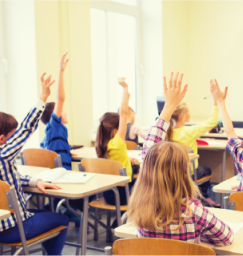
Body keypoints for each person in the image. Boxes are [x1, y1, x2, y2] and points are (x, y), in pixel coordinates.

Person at [128, 72, 234, 246]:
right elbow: (226, 238)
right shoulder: (192, 211)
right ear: (184, 174)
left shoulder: (141, 209)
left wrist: (169, 105)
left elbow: (149, 150)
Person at [0, 73, 68, 256]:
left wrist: (34, 181)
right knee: (62, 218)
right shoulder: (2, 155)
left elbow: (2, 179)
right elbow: (27, 128)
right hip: (12, 228)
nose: (15, 140)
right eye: (12, 136)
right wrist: (43, 96)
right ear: (2, 139)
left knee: (40, 212)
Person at [166, 98, 220, 207]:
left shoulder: (167, 133)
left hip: (173, 172)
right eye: (188, 111)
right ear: (182, 115)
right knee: (207, 169)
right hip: (189, 172)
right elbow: (212, 122)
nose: (190, 114)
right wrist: (215, 102)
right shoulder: (190, 131)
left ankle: (201, 197)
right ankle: (205, 197)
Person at [95, 78, 135, 206]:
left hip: (108, 195)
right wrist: (125, 88)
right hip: (124, 195)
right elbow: (123, 113)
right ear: (115, 131)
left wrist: (128, 161)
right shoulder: (117, 142)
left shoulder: (100, 146)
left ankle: (119, 220)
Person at [40, 52, 73, 170]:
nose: (65, 113)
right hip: (63, 176)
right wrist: (61, 71)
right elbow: (60, 98)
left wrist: (67, 151)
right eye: (62, 111)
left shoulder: (50, 134)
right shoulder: (55, 127)